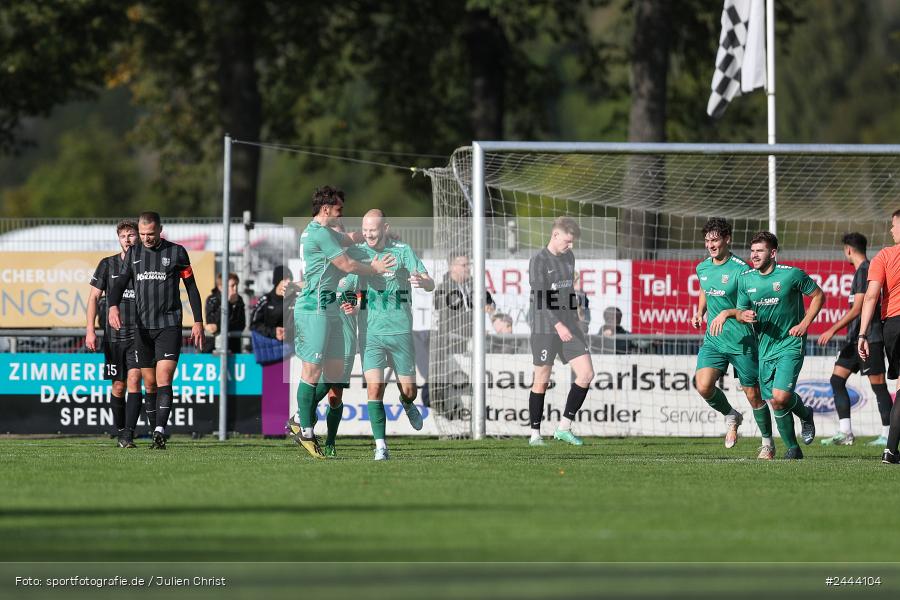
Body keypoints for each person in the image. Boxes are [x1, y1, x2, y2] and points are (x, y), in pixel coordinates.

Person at [288, 186, 395, 459]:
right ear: (326, 210)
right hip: (314, 308)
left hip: (329, 310)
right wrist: (375, 269)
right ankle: (305, 428)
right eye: (338, 210)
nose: (341, 213)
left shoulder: (323, 232)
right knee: (311, 372)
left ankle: (304, 422)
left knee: (334, 374)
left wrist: (371, 233)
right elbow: (347, 264)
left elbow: (346, 238)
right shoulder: (319, 234)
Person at [107, 211, 204, 450]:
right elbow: (119, 283)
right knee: (148, 383)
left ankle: (160, 429)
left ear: (160, 230)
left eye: (150, 234)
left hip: (168, 326)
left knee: (163, 379)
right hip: (142, 328)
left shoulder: (177, 253)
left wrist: (198, 321)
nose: (146, 238)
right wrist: (112, 306)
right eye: (142, 234)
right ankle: (154, 432)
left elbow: (191, 288)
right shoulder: (134, 253)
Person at [736, 231, 824, 460]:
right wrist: (743, 315)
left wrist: (805, 324)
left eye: (760, 251)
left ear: (773, 253)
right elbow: (739, 311)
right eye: (752, 251)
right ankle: (793, 449)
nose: (754, 255)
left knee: (781, 396)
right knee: (775, 401)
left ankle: (805, 415)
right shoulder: (746, 279)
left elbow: (818, 296)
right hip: (764, 347)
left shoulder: (791, 275)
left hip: (790, 343)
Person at [690, 218, 773, 459]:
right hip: (714, 339)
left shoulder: (742, 270)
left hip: (742, 341)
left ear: (727, 239)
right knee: (703, 385)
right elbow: (705, 289)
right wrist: (699, 312)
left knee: (753, 395)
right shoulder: (702, 268)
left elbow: (746, 311)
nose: (710, 245)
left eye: (715, 240)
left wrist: (728, 314)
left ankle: (767, 443)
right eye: (707, 241)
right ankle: (731, 415)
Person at [84, 220, 157, 448]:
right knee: (118, 386)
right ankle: (119, 431)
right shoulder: (107, 265)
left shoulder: (146, 265)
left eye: (132, 235)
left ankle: (128, 434)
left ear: (139, 237)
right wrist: (90, 331)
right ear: (118, 239)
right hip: (113, 337)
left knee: (135, 379)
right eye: (123, 235)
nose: (128, 239)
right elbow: (94, 298)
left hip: (138, 334)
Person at [818, 233, 893, 446]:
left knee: (878, 385)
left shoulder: (865, 270)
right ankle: (845, 432)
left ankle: (888, 434)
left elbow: (859, 308)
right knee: (836, 379)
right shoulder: (859, 271)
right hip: (854, 341)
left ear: (848, 249)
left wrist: (832, 329)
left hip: (871, 338)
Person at [527, 217, 594, 447]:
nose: (571, 246)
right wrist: (558, 325)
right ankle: (535, 434)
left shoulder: (569, 257)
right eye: (567, 241)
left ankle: (564, 427)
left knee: (586, 374)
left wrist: (575, 317)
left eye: (572, 242)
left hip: (568, 326)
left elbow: (568, 292)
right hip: (545, 327)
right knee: (542, 379)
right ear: (555, 235)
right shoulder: (538, 260)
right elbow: (539, 298)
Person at [858, 210, 900, 464]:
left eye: (894, 225)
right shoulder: (884, 254)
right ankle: (891, 449)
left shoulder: (884, 256)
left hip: (892, 327)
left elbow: (871, 296)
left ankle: (891, 450)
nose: (891, 230)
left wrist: (862, 333)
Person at [431, 254, 495, 414]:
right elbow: (449, 319)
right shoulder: (443, 289)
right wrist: (473, 329)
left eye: (468, 264)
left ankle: (481, 410)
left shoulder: (476, 285)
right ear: (452, 267)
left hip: (475, 340)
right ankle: (448, 406)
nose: (468, 268)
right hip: (453, 344)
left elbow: (491, 303)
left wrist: (488, 306)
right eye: (463, 265)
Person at [204, 272, 246, 354]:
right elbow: (211, 322)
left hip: (233, 347)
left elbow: (241, 325)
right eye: (232, 285)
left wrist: (219, 327)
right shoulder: (212, 299)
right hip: (212, 348)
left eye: (237, 285)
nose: (236, 288)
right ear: (221, 287)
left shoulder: (239, 300)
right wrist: (228, 303)